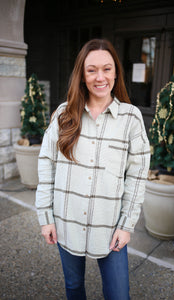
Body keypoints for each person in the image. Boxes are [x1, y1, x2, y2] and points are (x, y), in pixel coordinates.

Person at [36, 38, 150, 300]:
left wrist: (127, 225)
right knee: (74, 287)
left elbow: (137, 175)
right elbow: (47, 164)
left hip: (110, 228)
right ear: (82, 75)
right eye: (92, 69)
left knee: (118, 295)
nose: (100, 77)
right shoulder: (64, 115)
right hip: (66, 221)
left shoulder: (131, 118)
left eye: (107, 68)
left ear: (116, 72)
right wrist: (46, 217)